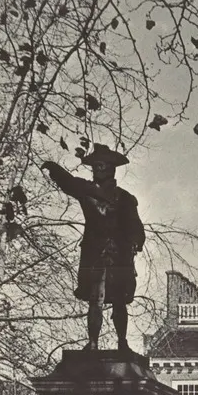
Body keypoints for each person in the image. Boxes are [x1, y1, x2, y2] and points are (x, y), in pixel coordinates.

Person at [42, 145, 144, 353]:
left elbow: (135, 224)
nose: (98, 170)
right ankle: (93, 343)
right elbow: (68, 183)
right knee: (94, 297)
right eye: (95, 166)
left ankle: (122, 342)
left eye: (102, 166)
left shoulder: (125, 198)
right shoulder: (86, 191)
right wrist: (54, 169)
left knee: (118, 299)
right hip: (94, 252)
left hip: (119, 253)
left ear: (111, 169)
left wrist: (136, 241)